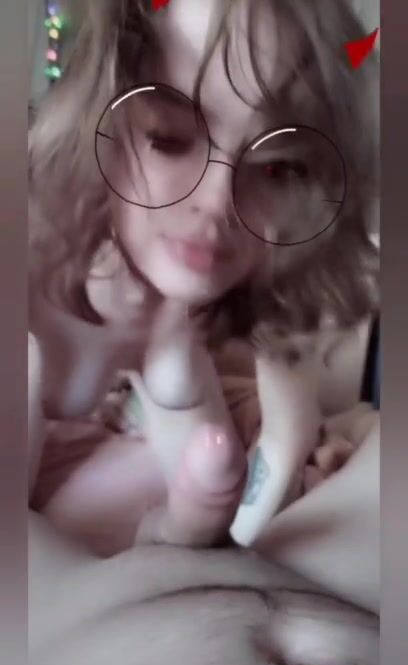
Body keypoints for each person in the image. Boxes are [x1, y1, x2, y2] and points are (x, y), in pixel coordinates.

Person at [29, 0, 379, 601]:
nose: (218, 201)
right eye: (169, 139)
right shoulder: (41, 279)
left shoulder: (171, 319)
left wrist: (193, 514)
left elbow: (212, 455)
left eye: (276, 169)